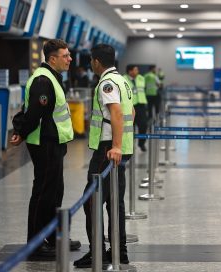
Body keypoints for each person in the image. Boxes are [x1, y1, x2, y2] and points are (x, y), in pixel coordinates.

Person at [10, 39, 81, 257]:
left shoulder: (53, 77)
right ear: (52, 58)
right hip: (45, 142)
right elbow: (34, 113)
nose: (70, 59)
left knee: (55, 191)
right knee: (43, 192)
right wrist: (21, 133)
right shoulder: (43, 80)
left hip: (55, 141)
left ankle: (54, 236)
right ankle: (35, 244)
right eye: (65, 55)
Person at [73, 44, 134, 268]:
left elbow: (117, 113)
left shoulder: (106, 83)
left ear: (97, 61)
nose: (90, 64)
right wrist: (122, 145)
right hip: (121, 148)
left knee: (93, 201)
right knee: (114, 202)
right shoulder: (123, 80)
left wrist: (115, 145)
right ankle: (120, 250)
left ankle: (97, 252)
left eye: (91, 60)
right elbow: (131, 112)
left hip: (108, 149)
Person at [124, 64, 148, 151]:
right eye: (135, 70)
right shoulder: (123, 79)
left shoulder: (141, 78)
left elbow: (143, 90)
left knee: (144, 125)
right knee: (129, 127)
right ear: (130, 71)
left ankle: (141, 143)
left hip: (141, 105)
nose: (137, 71)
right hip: (129, 106)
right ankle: (129, 145)